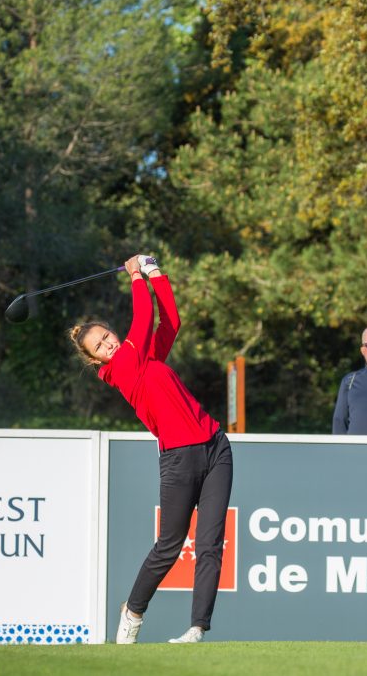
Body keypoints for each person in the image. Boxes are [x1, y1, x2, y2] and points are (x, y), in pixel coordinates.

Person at [68, 254, 233, 645]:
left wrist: (156, 273)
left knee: (210, 544)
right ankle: (133, 612)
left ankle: (197, 629)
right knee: (169, 546)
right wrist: (136, 276)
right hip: (178, 459)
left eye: (107, 336)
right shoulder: (120, 369)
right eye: (100, 346)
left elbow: (169, 321)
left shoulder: (146, 357)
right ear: (94, 360)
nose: (108, 343)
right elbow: (142, 322)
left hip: (215, 448)